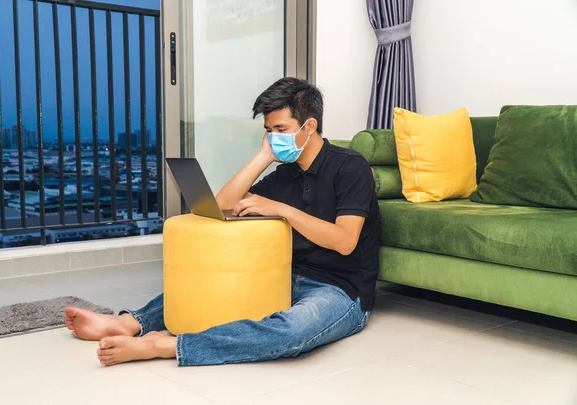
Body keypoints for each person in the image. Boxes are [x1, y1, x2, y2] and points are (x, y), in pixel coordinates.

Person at [64, 77, 380, 367]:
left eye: (281, 130)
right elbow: (222, 205)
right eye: (268, 131)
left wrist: (281, 209)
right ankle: (128, 323)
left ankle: (168, 346)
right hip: (286, 275)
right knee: (214, 282)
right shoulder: (284, 173)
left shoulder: (350, 167)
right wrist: (263, 157)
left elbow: (344, 240)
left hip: (341, 290)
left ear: (309, 126)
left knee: (293, 332)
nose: (273, 138)